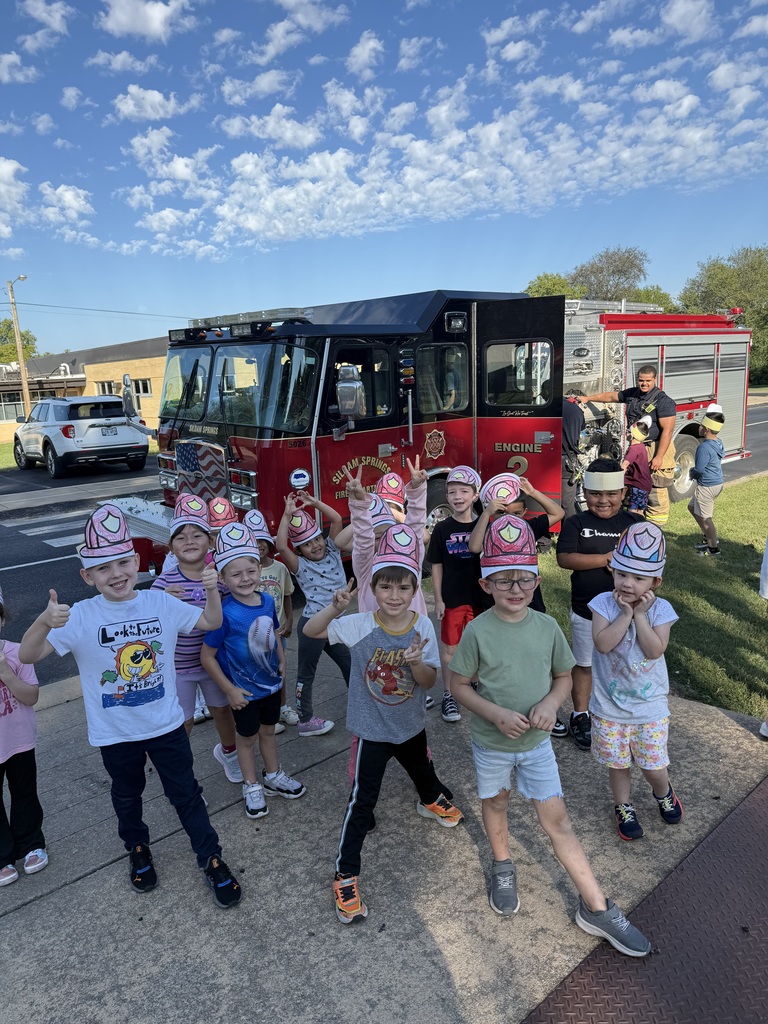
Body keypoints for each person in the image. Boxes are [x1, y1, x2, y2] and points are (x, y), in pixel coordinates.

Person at [19, 504, 242, 908]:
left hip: (166, 725)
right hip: (114, 732)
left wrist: (211, 589)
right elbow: (30, 655)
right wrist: (43, 621)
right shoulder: (81, 616)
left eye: (123, 562)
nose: (116, 574)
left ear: (137, 561)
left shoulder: (159, 603)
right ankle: (137, 848)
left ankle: (210, 857)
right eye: (103, 568)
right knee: (127, 795)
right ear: (87, 576)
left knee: (186, 793)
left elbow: (209, 622)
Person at [449, 514, 651, 956]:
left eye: (524, 579)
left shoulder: (547, 628)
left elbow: (564, 675)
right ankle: (503, 863)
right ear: (486, 586)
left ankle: (595, 906)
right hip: (493, 743)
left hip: (537, 745)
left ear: (537, 581)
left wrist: (552, 703)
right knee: (496, 803)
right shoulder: (477, 631)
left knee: (557, 820)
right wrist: (495, 713)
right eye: (503, 581)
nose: (515, 589)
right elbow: (458, 685)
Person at [303, 524, 464, 926]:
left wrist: (414, 663)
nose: (394, 596)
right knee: (362, 804)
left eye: (404, 588)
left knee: (425, 773)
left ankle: (430, 800)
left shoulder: (421, 626)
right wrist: (335, 607)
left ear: (414, 591)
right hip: (372, 732)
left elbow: (429, 681)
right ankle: (345, 875)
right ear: (372, 588)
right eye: (386, 587)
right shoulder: (358, 625)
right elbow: (311, 630)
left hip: (410, 725)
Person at [201, 523, 306, 821]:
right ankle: (251, 785)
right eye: (235, 574)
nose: (245, 578)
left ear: (260, 570)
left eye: (251, 571)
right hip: (244, 692)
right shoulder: (223, 612)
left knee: (269, 731)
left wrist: (283, 659)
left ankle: (273, 775)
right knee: (246, 738)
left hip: (270, 685)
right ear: (222, 577)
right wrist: (229, 689)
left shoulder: (268, 601)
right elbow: (206, 656)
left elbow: (273, 632)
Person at [589, 522, 683, 840]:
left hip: (648, 707)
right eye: (621, 574)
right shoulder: (603, 604)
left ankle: (663, 792)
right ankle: (624, 806)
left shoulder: (661, 610)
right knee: (618, 765)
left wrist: (640, 616)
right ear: (613, 571)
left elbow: (655, 650)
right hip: (609, 705)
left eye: (638, 578)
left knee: (653, 765)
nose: (628, 584)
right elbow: (603, 643)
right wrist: (625, 614)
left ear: (655, 581)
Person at [151, 494, 245, 786]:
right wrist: (157, 604)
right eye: (181, 537)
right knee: (184, 722)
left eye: (196, 535)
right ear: (171, 547)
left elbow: (235, 613)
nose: (189, 541)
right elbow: (149, 626)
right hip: (178, 669)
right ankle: (181, 773)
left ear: (211, 541)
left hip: (214, 665)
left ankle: (229, 753)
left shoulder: (220, 579)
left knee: (221, 710)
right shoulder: (163, 584)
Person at [555, 459, 644, 751]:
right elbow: (565, 558)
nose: (603, 501)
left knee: (623, 663)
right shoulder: (576, 523)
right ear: (586, 493)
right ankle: (580, 714)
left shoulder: (634, 523)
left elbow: (649, 563)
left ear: (622, 493)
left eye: (610, 494)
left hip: (626, 614)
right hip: (586, 611)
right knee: (584, 663)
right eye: (595, 494)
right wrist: (607, 558)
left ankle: (618, 713)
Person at [470, 474, 567, 734]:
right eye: (502, 512)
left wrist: (533, 491)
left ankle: (546, 707)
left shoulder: (529, 526)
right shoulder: (489, 530)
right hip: (499, 601)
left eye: (515, 511)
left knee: (538, 656)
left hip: (529, 598)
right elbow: (474, 545)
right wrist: (486, 514)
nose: (509, 518)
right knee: (503, 656)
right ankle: (502, 703)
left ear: (524, 511)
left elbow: (558, 513)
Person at [275, 491, 351, 736]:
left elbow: (338, 520)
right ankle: (305, 719)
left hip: (335, 624)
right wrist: (287, 516)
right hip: (312, 626)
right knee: (307, 673)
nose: (315, 545)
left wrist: (316, 503)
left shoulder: (332, 550)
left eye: (317, 539)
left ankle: (362, 704)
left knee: (350, 663)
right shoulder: (300, 565)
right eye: (307, 544)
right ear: (299, 550)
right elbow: (280, 546)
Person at [578, 365, 676, 526]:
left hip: (656, 447)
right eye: (641, 380)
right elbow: (611, 397)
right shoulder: (633, 394)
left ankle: (656, 530)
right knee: (635, 485)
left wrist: (659, 457)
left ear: (655, 379)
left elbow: (667, 432)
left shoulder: (664, 402)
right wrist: (588, 399)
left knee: (656, 488)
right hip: (638, 447)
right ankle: (636, 525)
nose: (644, 384)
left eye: (648, 381)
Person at [0, 584, 48, 886]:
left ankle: (30, 843)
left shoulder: (17, 653)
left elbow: (31, 697)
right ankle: (2, 856)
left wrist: (6, 673)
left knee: (24, 793)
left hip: (18, 741)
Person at [244, 509, 298, 727]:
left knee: (280, 668)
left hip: (276, 632)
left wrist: (290, 620)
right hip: (252, 633)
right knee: (259, 670)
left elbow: (286, 595)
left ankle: (281, 707)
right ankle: (265, 714)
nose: (258, 546)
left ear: (269, 543)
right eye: (253, 542)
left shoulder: (280, 568)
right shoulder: (246, 571)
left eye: (262, 541)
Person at [688, 410, 725, 557]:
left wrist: (691, 473)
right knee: (691, 507)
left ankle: (713, 548)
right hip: (717, 483)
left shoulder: (703, 447)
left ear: (706, 429)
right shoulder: (718, 442)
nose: (699, 427)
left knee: (706, 518)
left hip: (707, 486)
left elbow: (700, 469)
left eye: (701, 424)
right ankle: (708, 537)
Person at [621, 415, 653, 514]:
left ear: (633, 436)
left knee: (632, 509)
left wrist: (617, 478)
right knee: (640, 509)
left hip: (638, 485)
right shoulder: (642, 446)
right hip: (645, 484)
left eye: (629, 433)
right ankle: (640, 527)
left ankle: (632, 526)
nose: (627, 434)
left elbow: (625, 464)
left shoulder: (633, 449)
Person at [562, 395, 586, 520]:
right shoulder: (577, 410)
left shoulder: (551, 409)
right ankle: (568, 532)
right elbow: (582, 431)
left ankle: (547, 535)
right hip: (570, 460)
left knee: (547, 498)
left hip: (553, 459)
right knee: (567, 502)